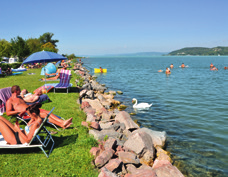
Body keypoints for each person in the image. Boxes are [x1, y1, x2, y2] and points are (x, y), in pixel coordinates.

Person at [6, 85, 72, 129]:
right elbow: (8, 113)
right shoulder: (9, 101)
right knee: (44, 115)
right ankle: (61, 125)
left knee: (47, 112)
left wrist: (33, 104)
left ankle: (62, 121)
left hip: (32, 109)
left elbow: (25, 103)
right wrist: (18, 111)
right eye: (19, 90)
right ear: (15, 91)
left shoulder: (20, 97)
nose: (20, 92)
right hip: (26, 114)